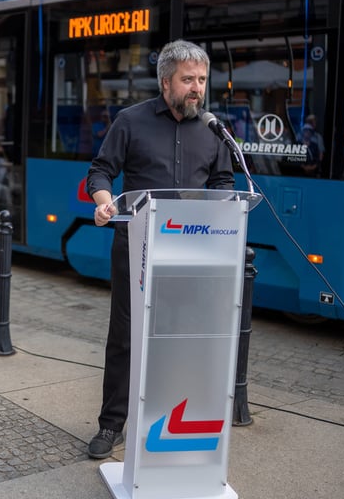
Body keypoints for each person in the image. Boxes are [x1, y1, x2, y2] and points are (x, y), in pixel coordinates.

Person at [85, 39, 235, 459]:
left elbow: (223, 183)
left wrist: (223, 209)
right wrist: (104, 202)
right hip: (137, 246)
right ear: (166, 81)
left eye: (202, 79)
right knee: (127, 338)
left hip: (192, 251)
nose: (197, 88)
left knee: (182, 338)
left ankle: (171, 422)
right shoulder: (130, 121)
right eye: (188, 79)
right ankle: (111, 424)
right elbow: (100, 171)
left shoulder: (213, 130)